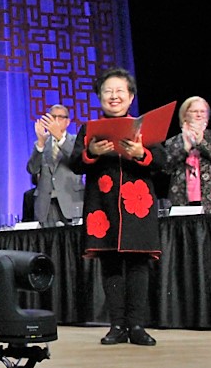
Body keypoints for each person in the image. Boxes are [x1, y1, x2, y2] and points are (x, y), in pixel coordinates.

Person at [68, 67, 167, 347]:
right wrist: (92, 152)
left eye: (119, 91)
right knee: (110, 264)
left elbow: (161, 161)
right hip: (103, 205)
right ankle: (117, 325)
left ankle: (136, 325)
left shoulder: (145, 127)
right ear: (100, 97)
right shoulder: (88, 129)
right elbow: (75, 164)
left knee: (137, 264)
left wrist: (141, 153)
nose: (114, 96)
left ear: (131, 96)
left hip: (138, 204)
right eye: (107, 91)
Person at [26, 104, 85, 227]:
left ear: (68, 122)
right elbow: (32, 169)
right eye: (53, 117)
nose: (56, 121)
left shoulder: (76, 141)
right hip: (46, 205)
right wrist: (40, 145)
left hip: (71, 201)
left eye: (60, 117)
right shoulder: (42, 143)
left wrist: (60, 138)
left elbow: (79, 159)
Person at [164, 96, 211, 213]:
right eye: (194, 111)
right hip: (181, 201)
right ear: (185, 115)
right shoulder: (173, 141)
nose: (199, 115)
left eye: (202, 111)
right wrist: (184, 148)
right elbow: (165, 168)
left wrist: (201, 143)